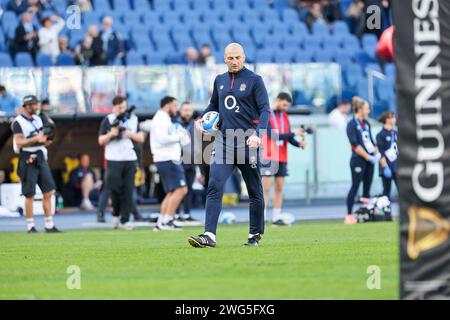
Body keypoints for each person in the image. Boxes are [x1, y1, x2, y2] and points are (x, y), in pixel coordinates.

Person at [188, 43, 270, 248]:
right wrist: (200, 120)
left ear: (244, 57)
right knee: (214, 185)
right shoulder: (220, 80)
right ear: (224, 59)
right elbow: (213, 106)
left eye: (238, 58)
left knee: (254, 191)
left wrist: (258, 135)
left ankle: (254, 235)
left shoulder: (255, 81)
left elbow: (265, 110)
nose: (234, 61)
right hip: (224, 143)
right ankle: (209, 236)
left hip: (248, 143)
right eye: (230, 58)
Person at [11, 95, 60, 233]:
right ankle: (30, 225)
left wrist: (45, 140)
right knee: (29, 193)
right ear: (26, 106)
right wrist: (36, 138)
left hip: (40, 156)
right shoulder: (18, 122)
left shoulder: (39, 119)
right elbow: (19, 142)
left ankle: (49, 224)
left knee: (48, 191)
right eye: (33, 104)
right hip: (27, 157)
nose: (36, 106)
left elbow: (46, 135)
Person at [98, 96, 145, 230]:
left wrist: (127, 133)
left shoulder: (133, 118)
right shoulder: (108, 119)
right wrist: (112, 134)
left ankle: (125, 219)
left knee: (128, 190)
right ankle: (115, 213)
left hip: (129, 158)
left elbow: (140, 138)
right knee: (114, 189)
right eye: (119, 107)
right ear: (113, 107)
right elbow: (101, 140)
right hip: (113, 159)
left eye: (123, 107)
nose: (121, 110)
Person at [261, 92, 306, 226]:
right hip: (268, 155)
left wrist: (298, 144)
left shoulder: (285, 116)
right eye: (284, 104)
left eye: (287, 106)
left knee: (279, 187)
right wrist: (293, 133)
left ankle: (276, 218)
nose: (285, 107)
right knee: (265, 188)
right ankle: (261, 218)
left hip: (282, 156)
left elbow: (288, 137)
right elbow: (272, 135)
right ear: (278, 100)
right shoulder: (266, 114)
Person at [150, 96, 189, 231]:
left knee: (172, 191)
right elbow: (162, 139)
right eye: (174, 106)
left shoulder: (165, 118)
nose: (176, 109)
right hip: (167, 158)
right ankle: (167, 220)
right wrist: (180, 135)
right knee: (181, 189)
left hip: (167, 158)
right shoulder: (161, 118)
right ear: (167, 105)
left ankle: (162, 221)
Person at [345, 96, 381, 225]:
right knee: (355, 187)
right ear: (359, 109)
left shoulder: (366, 123)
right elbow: (355, 145)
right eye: (367, 109)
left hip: (369, 161)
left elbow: (371, 141)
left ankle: (365, 213)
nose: (369, 111)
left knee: (367, 188)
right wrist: (368, 157)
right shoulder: (351, 124)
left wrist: (377, 154)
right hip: (358, 160)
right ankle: (348, 215)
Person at [176, 101, 199, 223]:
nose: (187, 112)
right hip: (177, 161)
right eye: (185, 110)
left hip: (191, 161)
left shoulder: (195, 125)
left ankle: (186, 214)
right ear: (180, 111)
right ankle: (174, 214)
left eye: (189, 110)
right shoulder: (174, 124)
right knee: (177, 189)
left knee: (189, 189)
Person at [376, 111, 398, 200]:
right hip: (387, 166)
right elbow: (380, 152)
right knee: (386, 191)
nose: (394, 119)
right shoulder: (380, 135)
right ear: (387, 120)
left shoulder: (395, 133)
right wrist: (385, 167)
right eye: (392, 117)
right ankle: (386, 213)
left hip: (396, 166)